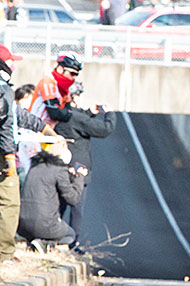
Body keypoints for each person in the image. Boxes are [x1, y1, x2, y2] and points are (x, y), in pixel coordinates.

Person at [0, 46, 60, 261]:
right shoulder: (2, 89)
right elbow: (6, 125)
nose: (14, 66)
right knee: (9, 202)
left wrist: (45, 130)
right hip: (3, 156)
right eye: (11, 62)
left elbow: (19, 116)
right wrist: (9, 157)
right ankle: (4, 254)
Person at [45, 85, 116, 243]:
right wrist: (110, 114)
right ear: (74, 98)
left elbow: (77, 121)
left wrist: (89, 113)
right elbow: (105, 129)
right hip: (78, 169)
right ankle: (73, 242)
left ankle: (52, 239)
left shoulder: (64, 114)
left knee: (58, 205)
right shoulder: (76, 118)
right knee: (76, 208)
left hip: (61, 165)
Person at [18, 139, 83, 249]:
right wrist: (79, 178)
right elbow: (73, 198)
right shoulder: (59, 170)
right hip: (45, 224)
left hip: (21, 224)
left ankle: (35, 242)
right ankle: (45, 244)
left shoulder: (34, 166)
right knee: (70, 235)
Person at [35, 54, 82, 123]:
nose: (74, 77)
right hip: (33, 130)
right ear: (60, 69)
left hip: (49, 129)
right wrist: (66, 113)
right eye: (72, 73)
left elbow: (68, 112)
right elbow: (54, 114)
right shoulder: (47, 82)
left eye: (76, 75)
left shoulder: (66, 90)